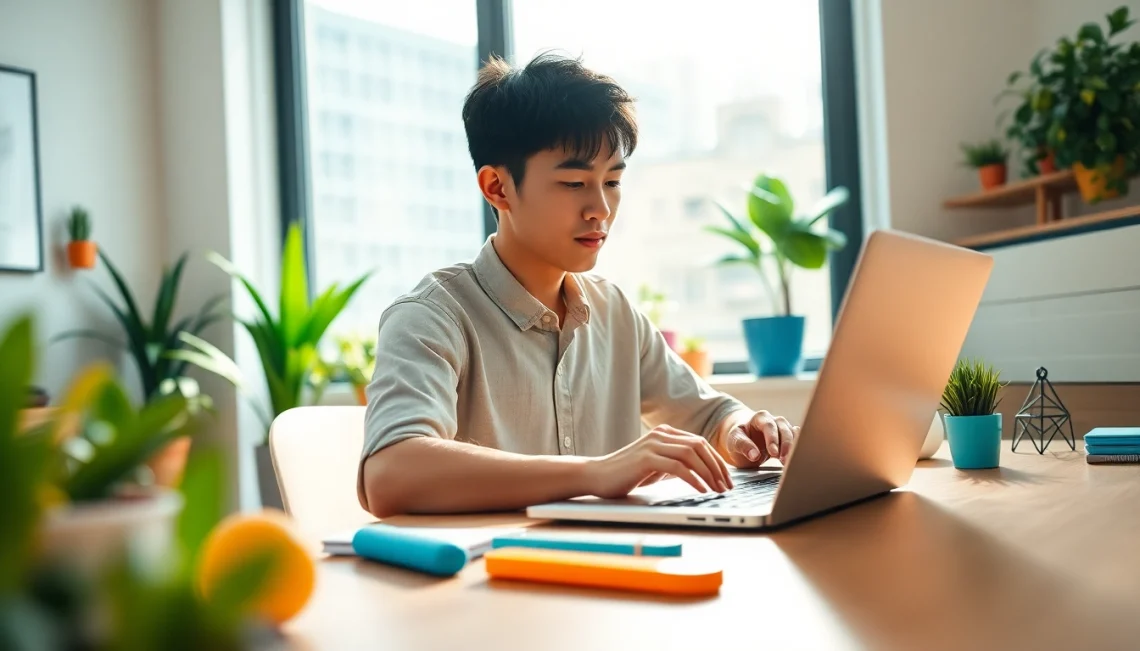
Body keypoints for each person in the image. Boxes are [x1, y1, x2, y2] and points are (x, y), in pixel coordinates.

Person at [357, 53, 798, 517]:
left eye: (612, 181)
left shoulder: (614, 313)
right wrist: (594, 473)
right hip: (497, 562)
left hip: (615, 558)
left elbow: (708, 415)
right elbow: (390, 473)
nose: (600, 209)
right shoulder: (431, 317)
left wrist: (741, 429)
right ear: (497, 188)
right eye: (574, 183)